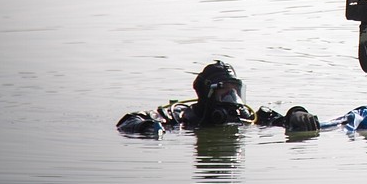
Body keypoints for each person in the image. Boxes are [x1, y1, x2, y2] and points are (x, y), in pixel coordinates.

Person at [116, 60, 320, 137]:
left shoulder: (246, 116)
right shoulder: (181, 116)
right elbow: (128, 120)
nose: (232, 98)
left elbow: (282, 121)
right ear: (207, 93)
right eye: (225, 91)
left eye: (235, 91)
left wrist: (298, 114)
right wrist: (146, 127)